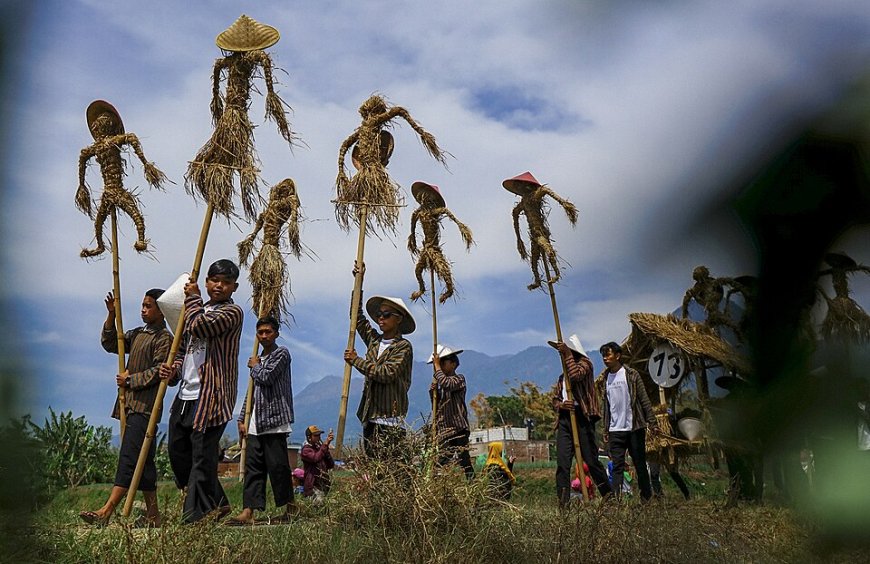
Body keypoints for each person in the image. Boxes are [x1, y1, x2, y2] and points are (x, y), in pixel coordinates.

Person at [79, 289, 172, 526]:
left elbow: (159, 371)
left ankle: (107, 510)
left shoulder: (164, 338)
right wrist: (111, 315)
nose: (143, 310)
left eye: (148, 306)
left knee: (129, 458)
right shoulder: (138, 333)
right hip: (129, 405)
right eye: (142, 305)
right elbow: (111, 343)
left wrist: (130, 380)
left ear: (161, 311)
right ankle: (153, 515)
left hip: (146, 407)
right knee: (145, 461)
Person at [160, 259, 243, 523]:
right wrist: (173, 370)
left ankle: (196, 516)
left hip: (212, 395)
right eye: (214, 280)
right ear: (206, 282)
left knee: (201, 456)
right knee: (178, 451)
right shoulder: (193, 310)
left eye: (226, 282)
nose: (219, 286)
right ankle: (218, 503)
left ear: (234, 287)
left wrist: (192, 298)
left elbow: (201, 327)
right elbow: (183, 349)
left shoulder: (232, 312)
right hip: (186, 394)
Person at [344, 262, 415, 460]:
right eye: (378, 315)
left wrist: (356, 361)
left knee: (392, 470)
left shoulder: (403, 347)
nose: (381, 318)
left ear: (398, 319)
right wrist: (358, 282)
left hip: (391, 421)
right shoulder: (374, 341)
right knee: (373, 469)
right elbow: (356, 318)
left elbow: (386, 373)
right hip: (370, 418)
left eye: (386, 315)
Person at [229, 316, 296, 525]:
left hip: (274, 420)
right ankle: (248, 510)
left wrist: (255, 366)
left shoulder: (281, 354)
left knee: (278, 467)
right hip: (255, 422)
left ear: (276, 333)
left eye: (268, 332)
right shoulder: (257, 359)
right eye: (260, 332)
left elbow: (267, 378)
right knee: (253, 467)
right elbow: (252, 392)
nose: (264, 335)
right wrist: (242, 417)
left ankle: (290, 508)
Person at [549, 334, 612, 506]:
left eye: (565, 352)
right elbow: (554, 399)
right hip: (565, 419)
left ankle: (609, 497)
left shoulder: (586, 365)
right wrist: (562, 405)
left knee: (591, 461)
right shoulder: (562, 377)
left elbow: (576, 375)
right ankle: (563, 504)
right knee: (563, 464)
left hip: (582, 417)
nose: (562, 355)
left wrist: (567, 354)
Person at [599, 341, 659, 501]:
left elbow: (644, 400)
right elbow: (606, 406)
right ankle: (616, 500)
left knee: (639, 464)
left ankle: (646, 498)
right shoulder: (605, 378)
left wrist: (652, 422)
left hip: (634, 428)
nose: (605, 358)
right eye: (603, 356)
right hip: (615, 430)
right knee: (617, 467)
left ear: (618, 356)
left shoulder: (631, 375)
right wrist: (606, 428)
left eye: (608, 355)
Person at [429, 344, 474, 478]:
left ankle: (472, 484)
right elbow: (436, 406)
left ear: (453, 364)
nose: (441, 365)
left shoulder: (459, 379)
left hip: (458, 428)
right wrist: (433, 391)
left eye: (443, 362)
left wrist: (437, 367)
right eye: (440, 362)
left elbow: (447, 384)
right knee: (441, 461)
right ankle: (438, 485)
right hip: (444, 430)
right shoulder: (440, 384)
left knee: (464, 461)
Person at [300, 426, 335, 502]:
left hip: (323, 484)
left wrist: (326, 450)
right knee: (318, 505)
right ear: (309, 437)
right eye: (316, 435)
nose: (318, 437)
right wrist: (325, 445)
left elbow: (331, 464)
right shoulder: (306, 450)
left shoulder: (319, 448)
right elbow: (315, 458)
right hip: (313, 486)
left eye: (319, 435)